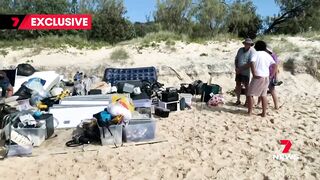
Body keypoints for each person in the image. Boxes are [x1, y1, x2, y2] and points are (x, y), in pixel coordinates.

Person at [245, 40, 276, 117]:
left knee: (250, 94)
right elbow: (275, 65)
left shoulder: (256, 54)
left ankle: (250, 112)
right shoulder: (267, 55)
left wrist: (254, 73)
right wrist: (272, 75)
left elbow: (252, 62)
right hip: (266, 76)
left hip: (258, 76)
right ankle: (264, 113)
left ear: (256, 47)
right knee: (263, 95)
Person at [234, 38, 256, 105]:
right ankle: (238, 100)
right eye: (246, 43)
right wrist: (236, 68)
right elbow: (236, 59)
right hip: (238, 70)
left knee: (246, 86)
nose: (247, 44)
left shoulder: (252, 51)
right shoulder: (240, 50)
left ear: (250, 44)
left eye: (248, 44)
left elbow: (250, 63)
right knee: (238, 85)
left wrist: (240, 69)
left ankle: (247, 101)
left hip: (246, 72)